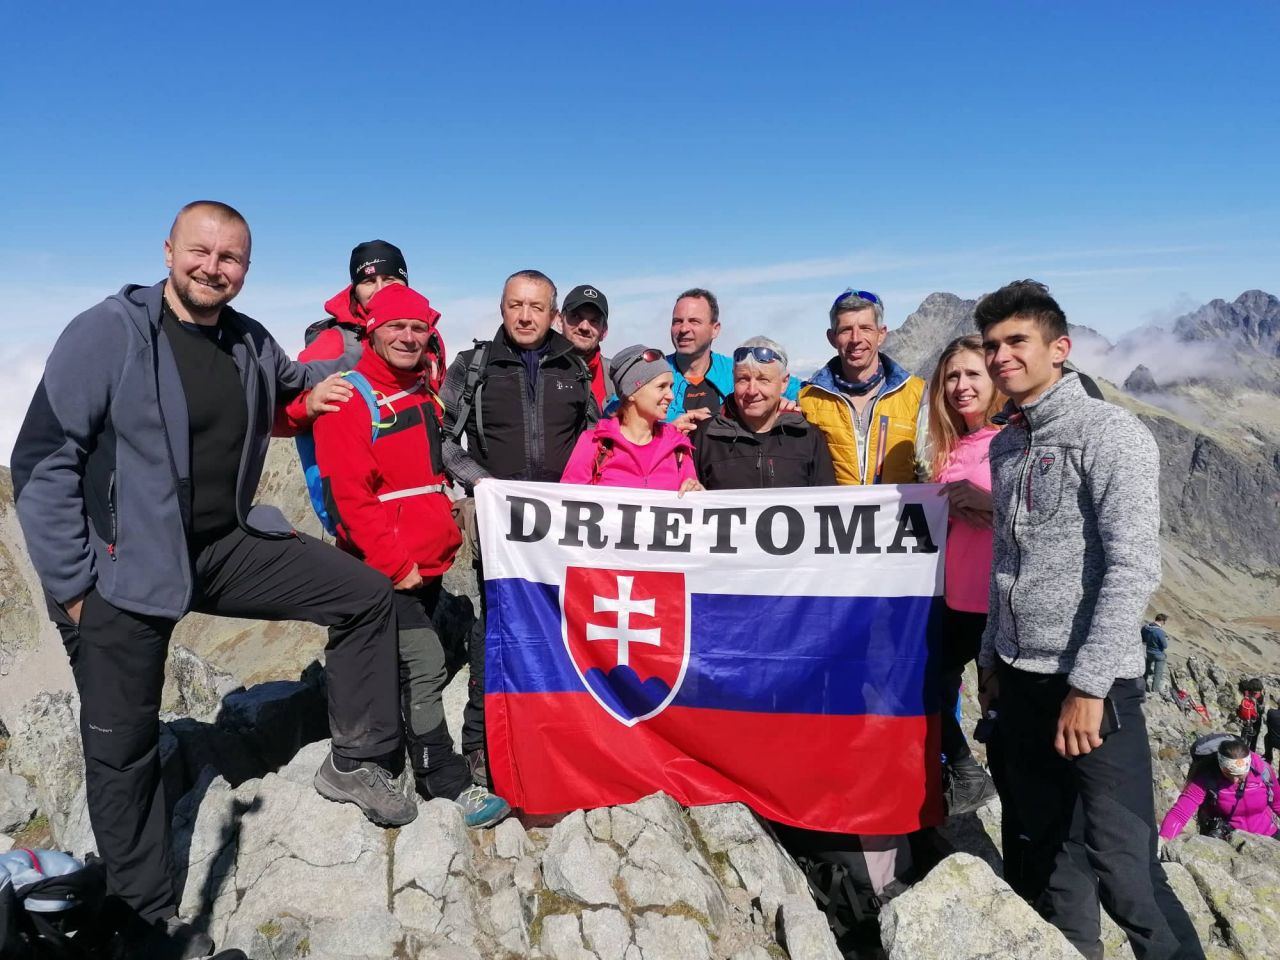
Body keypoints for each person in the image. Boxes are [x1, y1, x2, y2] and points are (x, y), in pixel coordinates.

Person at [10, 201, 414, 959]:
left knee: (363, 596)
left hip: (223, 545)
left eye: (231, 258)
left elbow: (299, 376)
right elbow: (42, 457)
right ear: (169, 250)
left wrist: (382, 341)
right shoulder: (109, 332)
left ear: (246, 269)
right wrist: (76, 590)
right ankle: (143, 921)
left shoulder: (248, 339)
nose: (213, 268)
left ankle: (357, 761)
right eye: (201, 251)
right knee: (125, 747)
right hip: (123, 571)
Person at [973, 280, 1202, 960]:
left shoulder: (1110, 434)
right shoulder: (1007, 445)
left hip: (1091, 692)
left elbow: (1133, 568)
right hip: (1018, 682)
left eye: (1017, 341)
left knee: (1127, 871)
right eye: (992, 345)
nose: (1001, 357)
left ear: (1059, 348)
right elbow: (1004, 563)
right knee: (1050, 859)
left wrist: (1089, 687)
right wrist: (989, 659)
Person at [312, 283, 509, 828]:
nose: (407, 337)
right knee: (424, 664)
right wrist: (397, 566)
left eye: (418, 328)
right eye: (395, 327)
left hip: (425, 563)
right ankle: (442, 777)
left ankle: (392, 756)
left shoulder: (422, 391)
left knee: (403, 665)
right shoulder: (349, 399)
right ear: (372, 331)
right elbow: (350, 497)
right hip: (384, 569)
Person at [440, 269, 598, 786]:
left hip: (565, 531)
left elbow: (597, 443)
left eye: (536, 307)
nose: (525, 316)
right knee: (495, 630)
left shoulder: (575, 367)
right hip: (500, 527)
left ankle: (559, 737)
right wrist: (481, 483)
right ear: (502, 308)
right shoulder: (473, 366)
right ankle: (481, 743)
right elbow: (441, 437)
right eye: (516, 305)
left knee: (564, 629)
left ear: (554, 314)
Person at [923, 336, 1001, 816]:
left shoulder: (1012, 439)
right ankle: (966, 773)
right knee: (925, 686)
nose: (961, 385)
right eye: (952, 376)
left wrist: (991, 504)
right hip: (954, 600)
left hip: (1000, 604)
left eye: (973, 374)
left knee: (1003, 714)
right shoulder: (950, 446)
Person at [799, 288, 927, 485]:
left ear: (881, 334)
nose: (856, 339)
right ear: (832, 338)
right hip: (836, 506)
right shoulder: (807, 400)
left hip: (901, 507)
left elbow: (930, 473)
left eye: (866, 328)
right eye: (846, 330)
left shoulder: (916, 394)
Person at [693, 337, 836, 489]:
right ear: (733, 378)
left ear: (784, 382)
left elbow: (826, 499)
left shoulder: (808, 437)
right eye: (743, 379)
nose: (752, 391)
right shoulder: (706, 436)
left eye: (763, 380)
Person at [561, 345, 702, 492]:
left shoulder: (678, 447)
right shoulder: (594, 443)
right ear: (631, 392)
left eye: (670, 386)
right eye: (661, 387)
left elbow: (691, 500)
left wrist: (697, 492)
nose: (671, 396)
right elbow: (569, 500)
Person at [666, 288, 800, 423]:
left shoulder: (738, 371)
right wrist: (669, 429)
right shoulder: (657, 374)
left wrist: (785, 402)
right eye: (677, 321)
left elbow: (801, 391)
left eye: (694, 321)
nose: (684, 329)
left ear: (715, 329)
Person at [1159, 738, 1280, 841]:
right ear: (1221, 766)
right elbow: (1179, 814)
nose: (1235, 780)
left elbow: (1277, 803)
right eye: (1228, 774)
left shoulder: (1264, 772)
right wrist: (1163, 842)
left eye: (1240, 775)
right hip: (1228, 841)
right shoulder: (1207, 778)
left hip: (1269, 837)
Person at [561, 284, 611, 410]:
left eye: (594, 321)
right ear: (560, 320)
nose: (584, 327)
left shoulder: (616, 379)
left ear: (604, 331)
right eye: (576, 317)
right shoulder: (537, 370)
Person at [1142, 614, 1170, 695]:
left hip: (1148, 652)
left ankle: (1142, 684)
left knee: (1146, 669)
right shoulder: (1160, 632)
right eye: (1164, 622)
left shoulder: (1145, 627)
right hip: (1158, 654)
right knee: (1158, 673)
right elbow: (1165, 646)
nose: (1164, 623)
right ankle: (1154, 691)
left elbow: (1143, 639)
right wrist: (1165, 639)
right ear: (1162, 621)